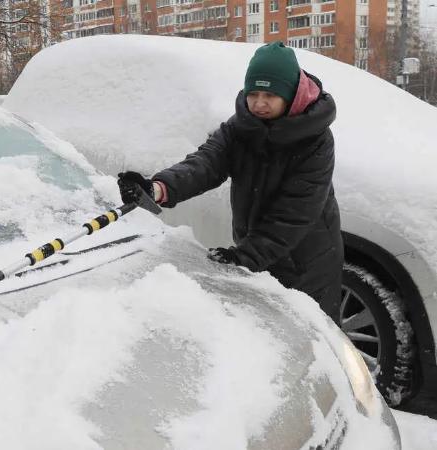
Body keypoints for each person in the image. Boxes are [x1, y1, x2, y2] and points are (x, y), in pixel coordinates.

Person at [117, 41, 343, 324]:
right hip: (257, 256)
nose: (259, 104)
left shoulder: (316, 141)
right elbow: (205, 164)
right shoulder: (240, 128)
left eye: (270, 95)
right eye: (254, 94)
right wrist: (158, 188)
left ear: (290, 96)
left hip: (308, 265)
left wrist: (244, 257)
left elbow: (295, 213)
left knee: (314, 345)